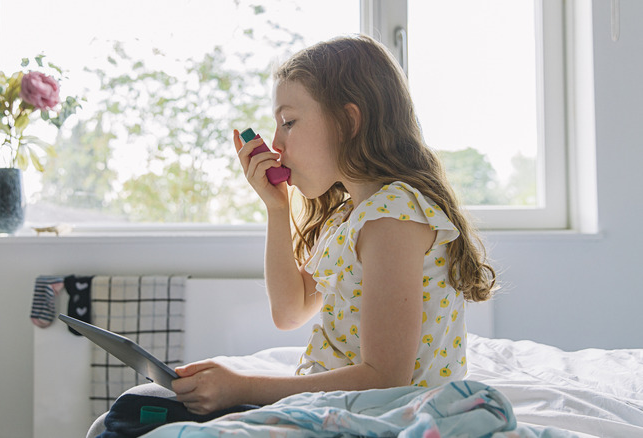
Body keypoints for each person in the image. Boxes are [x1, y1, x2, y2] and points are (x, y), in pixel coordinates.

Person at [171, 34, 497, 415]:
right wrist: (277, 211)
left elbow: (385, 377)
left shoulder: (392, 217)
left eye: (288, 122)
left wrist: (244, 388)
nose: (276, 144)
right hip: (340, 408)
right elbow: (289, 312)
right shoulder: (350, 217)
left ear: (348, 121)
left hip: (381, 416)